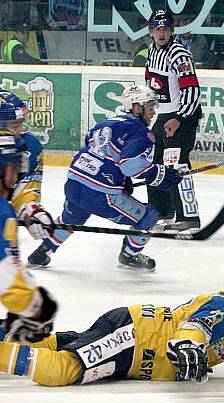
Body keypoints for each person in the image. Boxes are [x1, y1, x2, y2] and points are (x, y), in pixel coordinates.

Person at [0, 271, 224, 389]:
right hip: (135, 336)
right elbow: (195, 328)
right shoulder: (222, 307)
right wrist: (186, 346)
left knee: (60, 344)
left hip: (133, 353)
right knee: (64, 369)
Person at [27, 85, 182, 272]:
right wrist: (160, 174)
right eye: (149, 106)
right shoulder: (141, 132)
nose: (153, 111)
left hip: (75, 182)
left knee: (72, 216)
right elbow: (130, 165)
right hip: (101, 195)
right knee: (149, 215)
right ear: (136, 107)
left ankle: (43, 251)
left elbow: (94, 149)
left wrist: (121, 180)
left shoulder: (104, 124)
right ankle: (129, 256)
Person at [145, 9, 202, 231]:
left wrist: (179, 118)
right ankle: (162, 211)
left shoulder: (179, 54)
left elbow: (192, 90)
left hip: (182, 118)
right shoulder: (151, 50)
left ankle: (189, 216)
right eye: (158, 29)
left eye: (166, 29)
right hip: (161, 116)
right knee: (156, 163)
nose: (162, 33)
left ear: (171, 31)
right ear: (151, 31)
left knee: (176, 164)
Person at [0, 125, 57, 344]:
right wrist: (37, 308)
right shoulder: (2, 212)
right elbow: (7, 277)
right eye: (16, 167)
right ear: (7, 171)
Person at [0, 89, 55, 242]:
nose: (21, 131)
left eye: (21, 124)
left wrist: (30, 210)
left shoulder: (28, 147)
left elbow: (24, 188)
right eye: (15, 126)